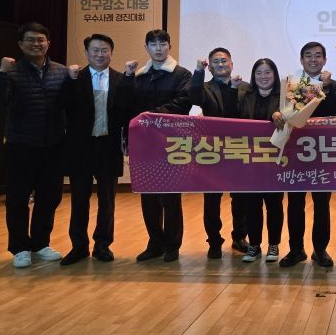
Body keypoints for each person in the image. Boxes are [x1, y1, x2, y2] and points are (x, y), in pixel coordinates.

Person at [0, 22, 68, 268]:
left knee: (49, 197)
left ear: (48, 43)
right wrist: (1, 73)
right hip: (20, 144)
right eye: (30, 40)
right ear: (20, 44)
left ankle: (40, 243)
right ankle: (19, 247)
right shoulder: (11, 71)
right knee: (17, 198)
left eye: (40, 40)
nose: (36, 44)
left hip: (53, 145)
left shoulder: (61, 71)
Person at [121, 29, 192, 263]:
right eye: (153, 44)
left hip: (172, 143)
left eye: (162, 43)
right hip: (144, 144)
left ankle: (172, 245)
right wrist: (128, 78)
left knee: (170, 197)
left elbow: (183, 103)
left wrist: (150, 116)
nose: (158, 48)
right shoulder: (139, 76)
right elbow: (126, 105)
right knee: (148, 196)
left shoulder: (182, 74)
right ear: (146, 48)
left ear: (169, 46)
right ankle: (155, 243)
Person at [60, 34, 128, 265]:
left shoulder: (120, 79)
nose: (100, 54)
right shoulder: (74, 78)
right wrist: (70, 81)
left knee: (107, 200)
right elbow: (63, 106)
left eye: (104, 50)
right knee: (79, 199)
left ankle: (102, 245)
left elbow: (126, 110)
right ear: (87, 53)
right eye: (95, 50)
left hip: (108, 146)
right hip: (80, 148)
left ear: (111, 52)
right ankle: (79, 246)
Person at [279, 42, 336, 268]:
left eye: (317, 56)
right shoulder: (290, 84)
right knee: (295, 204)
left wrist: (327, 87)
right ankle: (296, 249)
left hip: (322, 152)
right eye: (308, 56)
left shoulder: (332, 84)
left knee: (322, 204)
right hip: (296, 151)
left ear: (324, 60)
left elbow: (334, 110)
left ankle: (320, 250)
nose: (313, 60)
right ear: (301, 60)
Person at [190, 47, 248, 259]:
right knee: (212, 200)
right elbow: (194, 97)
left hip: (239, 148)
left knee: (240, 198)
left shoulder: (245, 87)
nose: (220, 64)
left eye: (224, 61)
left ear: (231, 64)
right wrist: (198, 71)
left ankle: (239, 237)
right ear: (210, 67)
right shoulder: (204, 87)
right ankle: (214, 240)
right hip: (212, 150)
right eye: (215, 61)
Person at [238, 58, 284, 263]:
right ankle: (254, 245)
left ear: (274, 75)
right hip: (250, 161)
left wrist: (282, 115)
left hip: (275, 160)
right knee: (251, 205)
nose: (263, 77)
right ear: (253, 76)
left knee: (274, 205)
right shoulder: (244, 96)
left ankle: (273, 244)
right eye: (259, 73)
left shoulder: (284, 99)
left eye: (267, 72)